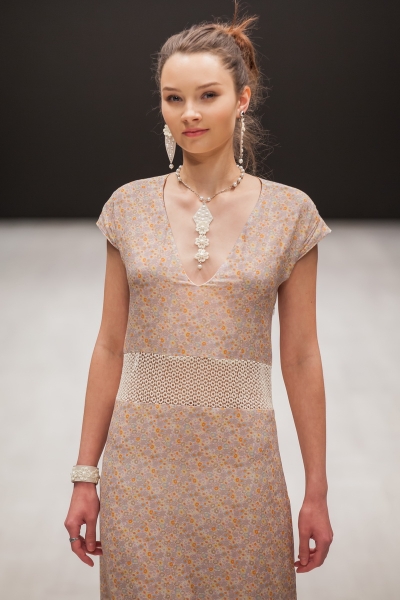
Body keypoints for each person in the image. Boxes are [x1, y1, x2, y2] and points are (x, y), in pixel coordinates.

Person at [64, 2, 333, 598]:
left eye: (208, 95)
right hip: (141, 473)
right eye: (173, 98)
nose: (189, 112)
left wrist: (316, 490)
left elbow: (301, 358)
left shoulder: (291, 214)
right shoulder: (128, 207)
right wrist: (85, 476)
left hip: (245, 472)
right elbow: (110, 346)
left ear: (242, 99)